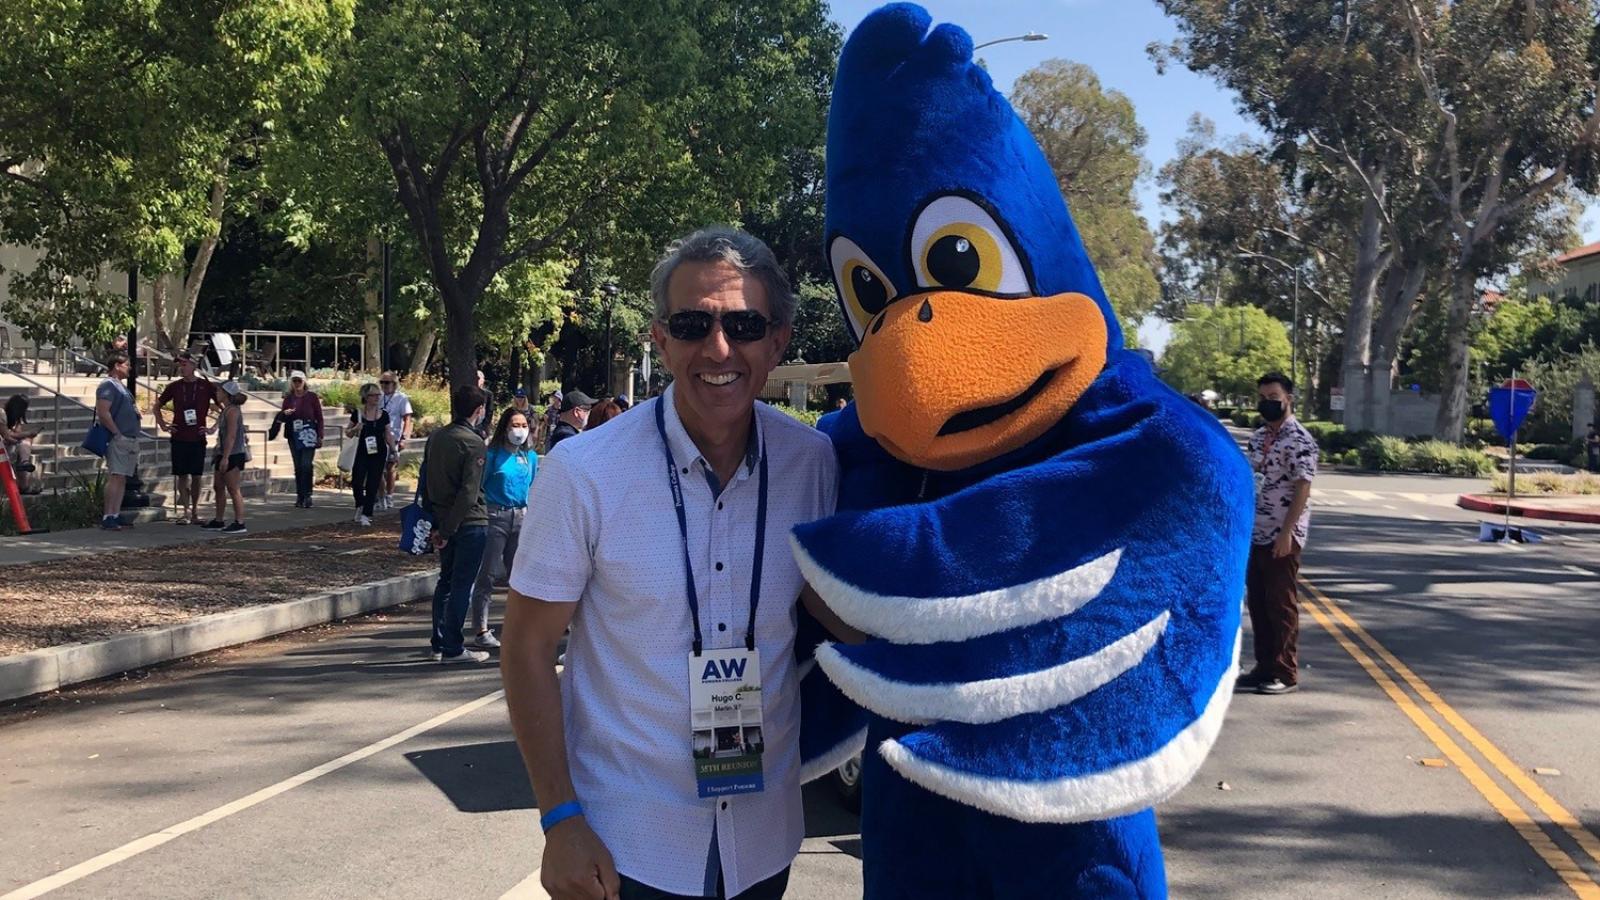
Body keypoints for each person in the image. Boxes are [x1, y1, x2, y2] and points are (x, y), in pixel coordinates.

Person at [500, 226, 846, 900]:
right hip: (626, 844)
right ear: (660, 341)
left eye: (744, 324)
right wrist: (559, 818)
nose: (719, 348)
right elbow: (527, 649)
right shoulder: (584, 472)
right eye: (693, 324)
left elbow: (835, 610)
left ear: (778, 340)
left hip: (763, 840)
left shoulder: (812, 465)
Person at [1241, 372, 1318, 696]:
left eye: (1273, 397)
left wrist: (1287, 533)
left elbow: (1303, 488)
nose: (1267, 403)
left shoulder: (1300, 440)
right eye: (1262, 397)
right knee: (1258, 602)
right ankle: (1264, 666)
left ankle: (1285, 672)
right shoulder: (1259, 437)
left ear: (1289, 398)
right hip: (1255, 532)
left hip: (1282, 534)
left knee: (1281, 604)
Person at [423, 383, 493, 664]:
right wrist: (450, 528)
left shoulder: (437, 437)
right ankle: (453, 645)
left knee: (446, 582)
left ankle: (439, 641)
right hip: (469, 522)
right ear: (479, 410)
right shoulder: (473, 442)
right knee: (463, 584)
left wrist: (438, 525)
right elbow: (468, 493)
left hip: (441, 517)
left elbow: (424, 479)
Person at [467, 407, 536, 650]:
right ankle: (481, 629)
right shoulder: (493, 454)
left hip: (522, 516)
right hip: (495, 516)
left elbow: (533, 486)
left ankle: (519, 628)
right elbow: (479, 486)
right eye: (515, 425)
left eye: (524, 426)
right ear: (505, 428)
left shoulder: (530, 457)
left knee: (519, 576)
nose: (520, 431)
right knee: (487, 574)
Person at [153, 352, 216, 524]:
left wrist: (212, 428)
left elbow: (224, 407)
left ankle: (195, 510)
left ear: (194, 366)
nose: (183, 368)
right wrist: (163, 425)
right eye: (181, 365)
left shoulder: (205, 386)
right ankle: (185, 511)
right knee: (181, 475)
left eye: (186, 364)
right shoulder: (175, 387)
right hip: (179, 435)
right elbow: (157, 406)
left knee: (196, 475)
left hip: (197, 436)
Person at [95, 352, 143, 531]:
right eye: (127, 364)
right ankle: (108, 515)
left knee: (122, 478)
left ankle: (115, 513)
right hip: (119, 438)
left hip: (130, 437)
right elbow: (103, 412)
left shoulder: (121, 387)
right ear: (117, 365)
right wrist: (117, 433)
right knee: (116, 476)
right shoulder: (108, 386)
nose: (129, 368)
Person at [271, 371, 324, 508]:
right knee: (298, 466)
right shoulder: (288, 398)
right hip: (293, 434)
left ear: (304, 382)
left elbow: (319, 416)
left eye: (299, 381)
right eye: (294, 381)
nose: (297, 384)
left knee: (306, 464)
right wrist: (285, 414)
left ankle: (307, 494)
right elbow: (282, 416)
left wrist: (320, 435)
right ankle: (300, 495)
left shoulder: (311, 397)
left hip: (308, 433)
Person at [345, 382, 395, 526]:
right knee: (357, 481)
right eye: (373, 395)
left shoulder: (384, 414)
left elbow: (388, 433)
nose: (377, 398)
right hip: (361, 451)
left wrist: (393, 450)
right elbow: (347, 433)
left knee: (373, 483)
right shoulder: (358, 413)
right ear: (366, 397)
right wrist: (355, 429)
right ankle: (360, 504)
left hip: (378, 452)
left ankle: (367, 513)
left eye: (378, 395)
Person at [202, 381, 249, 534]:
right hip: (221, 452)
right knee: (218, 486)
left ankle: (240, 521)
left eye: (219, 391)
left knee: (233, 488)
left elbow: (231, 435)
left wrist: (226, 457)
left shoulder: (233, 411)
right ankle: (219, 519)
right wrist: (210, 430)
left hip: (233, 453)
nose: (216, 393)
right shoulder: (225, 410)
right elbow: (219, 426)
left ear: (226, 394)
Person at [378, 372, 414, 510]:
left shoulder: (401, 398)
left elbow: (407, 419)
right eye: (382, 382)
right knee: (378, 468)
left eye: (387, 383)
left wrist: (405, 437)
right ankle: (380, 495)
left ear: (394, 384)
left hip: (394, 436)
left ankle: (389, 495)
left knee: (391, 467)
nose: (384, 386)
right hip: (379, 436)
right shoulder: (378, 397)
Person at [3, 395, 40, 494]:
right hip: (3, 447)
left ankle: (24, 463)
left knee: (23, 443)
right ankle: (24, 485)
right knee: (24, 442)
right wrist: (27, 434)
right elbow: (7, 435)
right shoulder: (2, 415)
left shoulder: (16, 419)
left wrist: (20, 435)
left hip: (9, 446)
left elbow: (16, 433)